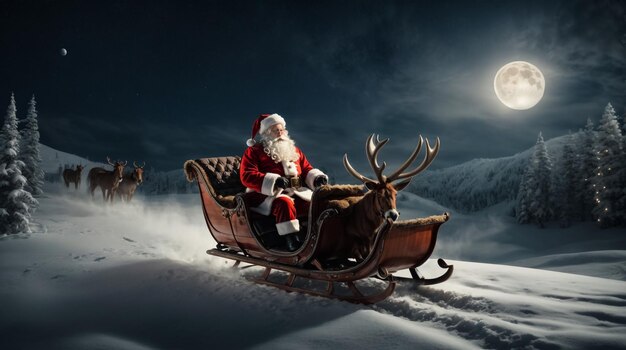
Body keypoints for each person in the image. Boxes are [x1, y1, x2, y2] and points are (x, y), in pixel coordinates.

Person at [240, 113, 329, 251]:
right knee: (284, 203)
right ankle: (292, 242)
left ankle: (317, 237)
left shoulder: (295, 150)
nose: (280, 133)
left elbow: (306, 169)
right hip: (267, 195)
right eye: (276, 130)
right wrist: (274, 181)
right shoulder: (254, 151)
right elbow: (247, 175)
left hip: (296, 192)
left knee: (316, 203)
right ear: (267, 133)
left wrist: (316, 177)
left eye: (282, 130)